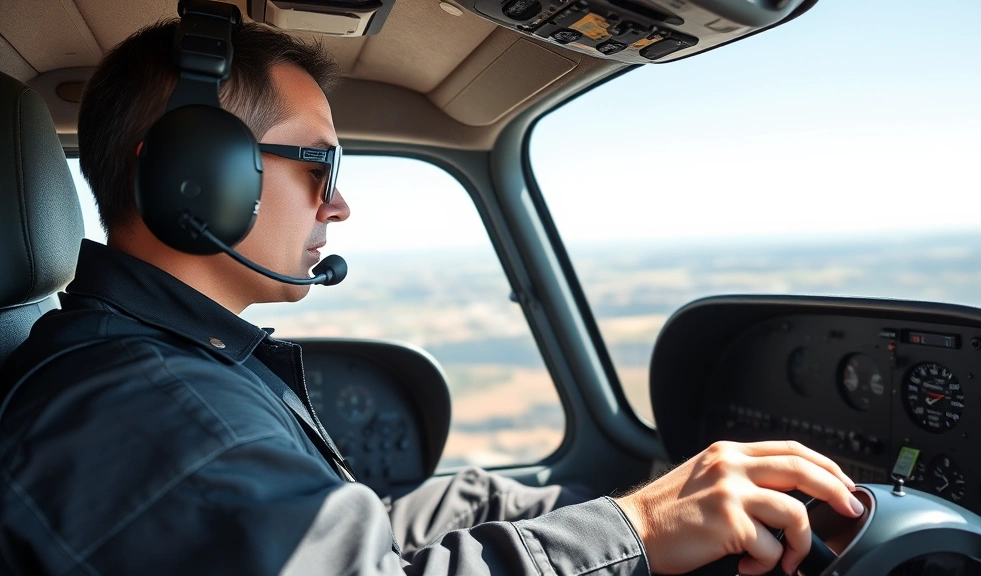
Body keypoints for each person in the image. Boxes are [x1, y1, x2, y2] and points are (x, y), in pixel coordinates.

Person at [0, 15, 864, 576]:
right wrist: (634, 529)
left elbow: (347, 534)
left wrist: (600, 502)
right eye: (319, 165)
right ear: (198, 177)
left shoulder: (166, 364)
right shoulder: (149, 410)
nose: (339, 203)